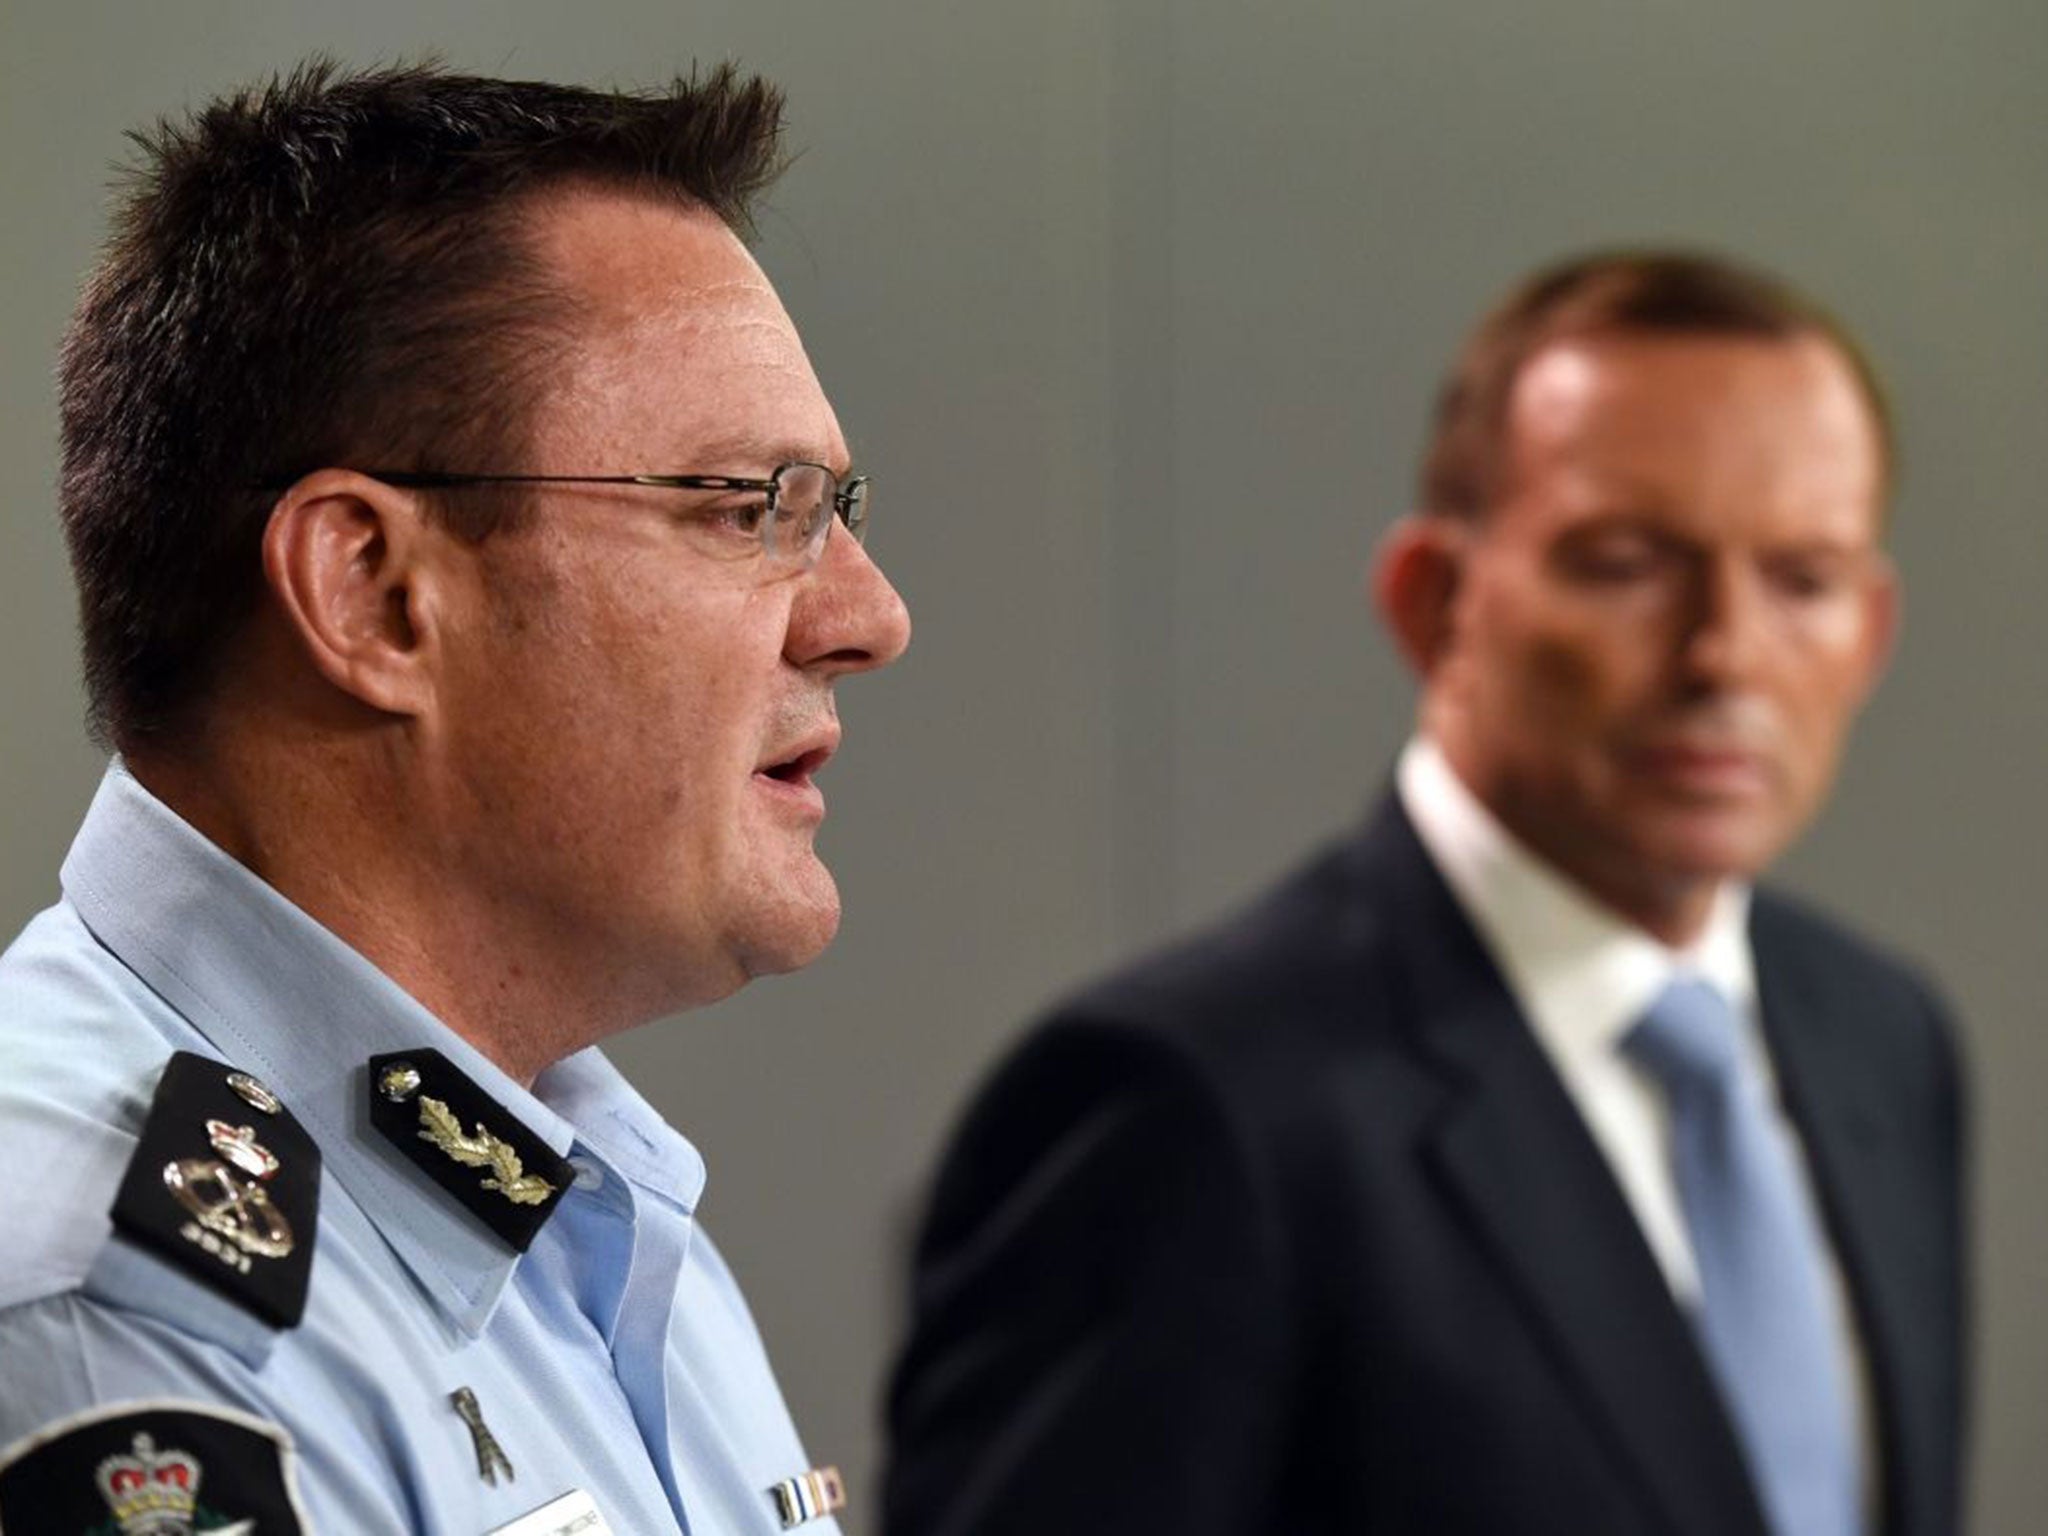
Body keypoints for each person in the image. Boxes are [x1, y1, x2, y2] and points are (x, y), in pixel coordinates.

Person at [883, 251, 1966, 1536]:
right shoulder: (1186, 1102)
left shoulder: (1881, 1040)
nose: (1723, 652)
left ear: (1873, 634)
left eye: (1801, 580)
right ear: (1433, 603)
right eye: (1624, 562)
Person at [0, 61, 909, 1535]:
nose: (869, 617)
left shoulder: (598, 1220)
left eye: (839, 516)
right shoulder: (120, 1318)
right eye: (753, 509)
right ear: (372, 593)